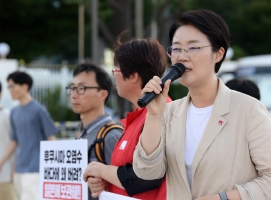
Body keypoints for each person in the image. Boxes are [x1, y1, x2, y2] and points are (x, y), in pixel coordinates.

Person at [132, 9, 271, 200]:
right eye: (177, 48)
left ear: (218, 53)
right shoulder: (169, 112)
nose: (181, 56)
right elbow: (147, 173)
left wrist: (223, 198)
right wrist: (154, 116)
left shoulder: (249, 110)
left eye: (193, 48)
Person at [83, 37, 171, 200]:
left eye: (116, 69)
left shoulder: (162, 112)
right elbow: (126, 173)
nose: (113, 75)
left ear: (132, 76)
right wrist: (104, 179)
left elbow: (145, 177)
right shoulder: (136, 117)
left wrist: (101, 170)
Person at [0, 71, 59, 200]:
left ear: (25, 87)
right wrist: (1, 166)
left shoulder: (39, 110)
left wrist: (55, 168)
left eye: (12, 86)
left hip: (36, 169)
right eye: (9, 87)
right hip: (19, 169)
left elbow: (51, 139)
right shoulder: (14, 112)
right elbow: (14, 142)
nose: (10, 90)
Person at [67, 62, 123, 200]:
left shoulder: (111, 135)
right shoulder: (81, 133)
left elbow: (125, 184)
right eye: (72, 88)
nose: (73, 95)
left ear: (103, 94)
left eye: (81, 88)